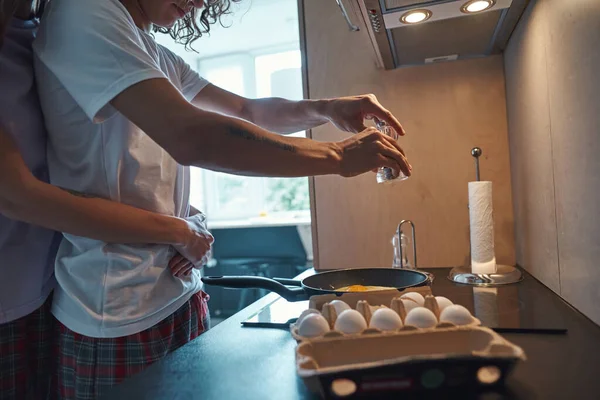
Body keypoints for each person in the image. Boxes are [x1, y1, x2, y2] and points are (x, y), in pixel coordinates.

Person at [33, 0, 412, 397]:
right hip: (115, 310)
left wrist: (327, 108)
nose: (199, 2)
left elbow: (249, 111)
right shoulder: (81, 12)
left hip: (178, 292)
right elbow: (191, 136)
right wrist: (338, 156)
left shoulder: (155, 52)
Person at [0, 1, 214, 398]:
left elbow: (87, 170)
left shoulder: (38, 26)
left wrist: (190, 217)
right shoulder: (70, 19)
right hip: (19, 304)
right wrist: (176, 229)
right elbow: (19, 197)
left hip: (54, 288)